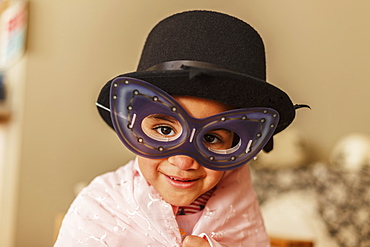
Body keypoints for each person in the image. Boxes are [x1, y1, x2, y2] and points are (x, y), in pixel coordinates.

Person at [55, 10, 307, 247]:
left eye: (211, 137)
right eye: (165, 130)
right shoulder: (102, 206)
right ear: (133, 125)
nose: (184, 161)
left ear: (238, 142)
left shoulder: (239, 204)